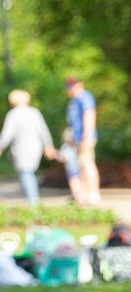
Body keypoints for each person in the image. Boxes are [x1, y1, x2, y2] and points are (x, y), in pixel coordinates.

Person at [0, 89, 56, 206]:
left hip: (21, 149)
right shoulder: (35, 113)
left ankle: (33, 201)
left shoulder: (13, 115)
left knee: (26, 173)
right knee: (29, 172)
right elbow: (44, 131)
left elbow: (6, 135)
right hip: (36, 148)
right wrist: (48, 145)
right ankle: (33, 200)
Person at [65, 76, 100, 205]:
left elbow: (89, 116)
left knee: (87, 164)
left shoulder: (85, 97)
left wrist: (87, 136)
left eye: (72, 86)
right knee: (80, 166)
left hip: (85, 137)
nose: (70, 89)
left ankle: (93, 194)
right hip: (76, 139)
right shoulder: (73, 101)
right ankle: (83, 194)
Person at [58, 128, 83, 204]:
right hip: (77, 167)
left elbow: (61, 158)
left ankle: (75, 194)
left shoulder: (64, 147)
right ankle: (78, 194)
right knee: (77, 180)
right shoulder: (76, 146)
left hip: (71, 168)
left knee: (73, 181)